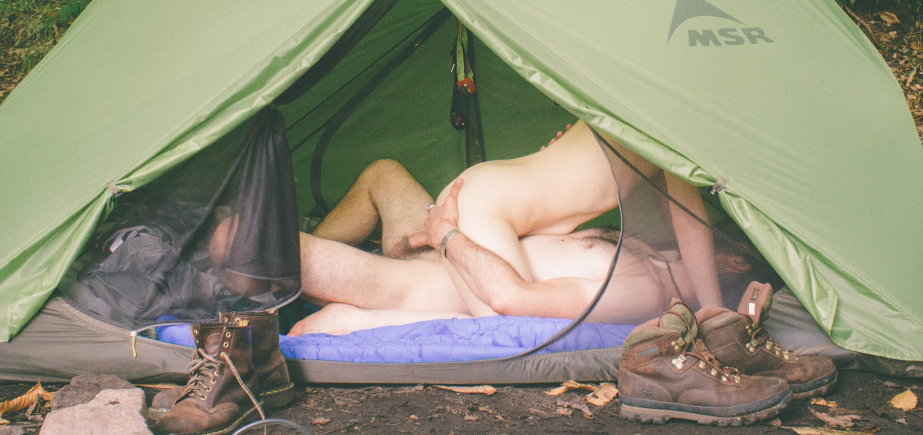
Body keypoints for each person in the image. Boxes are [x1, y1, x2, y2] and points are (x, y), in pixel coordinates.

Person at [293, 122, 734, 334]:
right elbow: (690, 220)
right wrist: (717, 309)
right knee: (509, 331)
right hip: (471, 225)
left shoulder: (644, 275)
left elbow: (684, 219)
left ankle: (300, 296)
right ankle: (328, 310)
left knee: (382, 175)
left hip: (467, 219)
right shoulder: (671, 129)